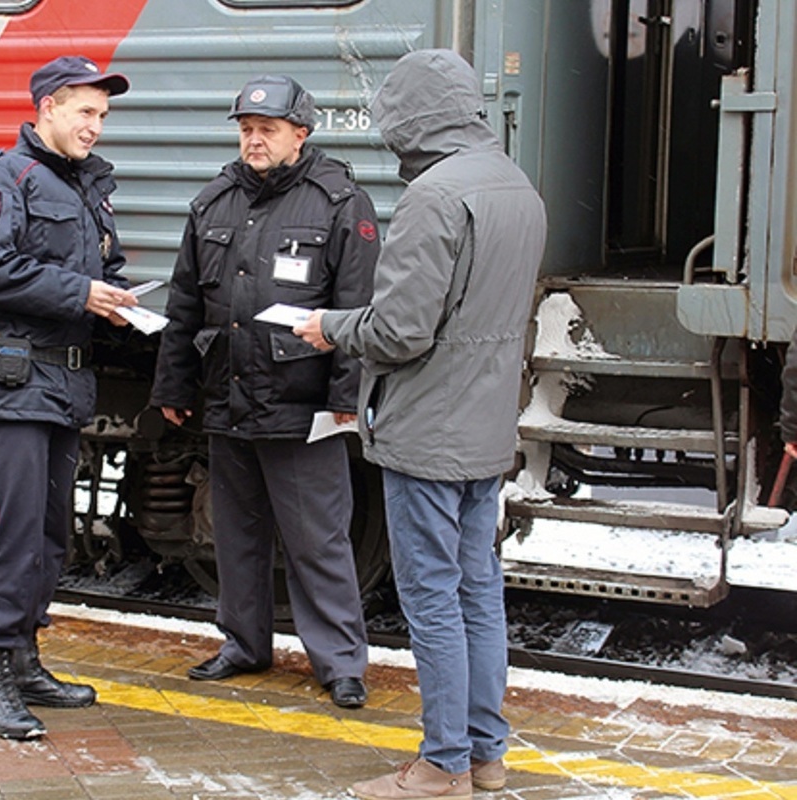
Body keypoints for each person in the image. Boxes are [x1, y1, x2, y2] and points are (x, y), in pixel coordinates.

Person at [295, 50, 547, 799]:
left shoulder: (435, 196)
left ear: (411, 117)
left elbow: (401, 331)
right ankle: (486, 753)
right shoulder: (516, 184)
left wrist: (331, 326)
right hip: (484, 426)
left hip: (427, 430)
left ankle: (442, 764)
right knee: (478, 591)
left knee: (433, 596)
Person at [150, 75, 378, 709]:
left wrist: (344, 397)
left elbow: (356, 306)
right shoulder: (214, 201)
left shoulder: (339, 202)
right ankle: (243, 645)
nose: (254, 139)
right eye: (247, 129)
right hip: (229, 396)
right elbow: (185, 301)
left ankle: (339, 664)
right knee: (236, 532)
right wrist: (172, 383)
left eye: (267, 129)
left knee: (319, 540)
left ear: (299, 136)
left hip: (303, 404)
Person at [0, 55, 137, 740]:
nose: (96, 126)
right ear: (49, 106)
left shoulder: (86, 187)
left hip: (63, 383)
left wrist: (114, 297)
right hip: (17, 382)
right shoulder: (2, 178)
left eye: (102, 116)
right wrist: (82, 292)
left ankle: (26, 660)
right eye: (86, 112)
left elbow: (94, 268)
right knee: (17, 533)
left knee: (51, 538)